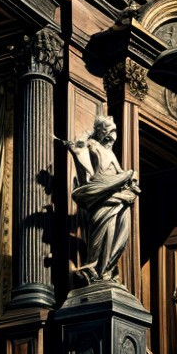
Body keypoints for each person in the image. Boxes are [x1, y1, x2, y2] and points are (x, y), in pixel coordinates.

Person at [64, 114, 141, 284]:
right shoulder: (94, 145)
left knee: (121, 234)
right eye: (108, 132)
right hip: (102, 198)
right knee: (103, 236)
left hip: (118, 198)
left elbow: (119, 173)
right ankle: (96, 270)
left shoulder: (110, 152)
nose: (112, 136)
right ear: (100, 132)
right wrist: (88, 132)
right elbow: (78, 147)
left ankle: (106, 270)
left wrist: (130, 178)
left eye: (114, 132)